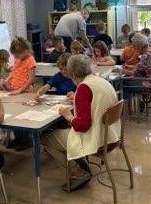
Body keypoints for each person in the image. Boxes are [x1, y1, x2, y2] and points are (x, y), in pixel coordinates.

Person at [41, 54, 120, 184]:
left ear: (72, 74)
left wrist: (68, 115)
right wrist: (77, 96)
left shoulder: (83, 88)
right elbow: (95, 101)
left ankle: (77, 172)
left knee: (45, 137)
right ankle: (79, 164)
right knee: (64, 132)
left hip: (97, 139)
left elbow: (82, 125)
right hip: (112, 134)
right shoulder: (98, 80)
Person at [122, 33, 151, 99]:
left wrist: (122, 71)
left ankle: (126, 108)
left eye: (134, 46)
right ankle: (136, 105)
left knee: (122, 84)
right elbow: (142, 68)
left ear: (139, 46)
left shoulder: (146, 55)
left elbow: (134, 72)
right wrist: (128, 67)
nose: (133, 48)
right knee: (127, 80)